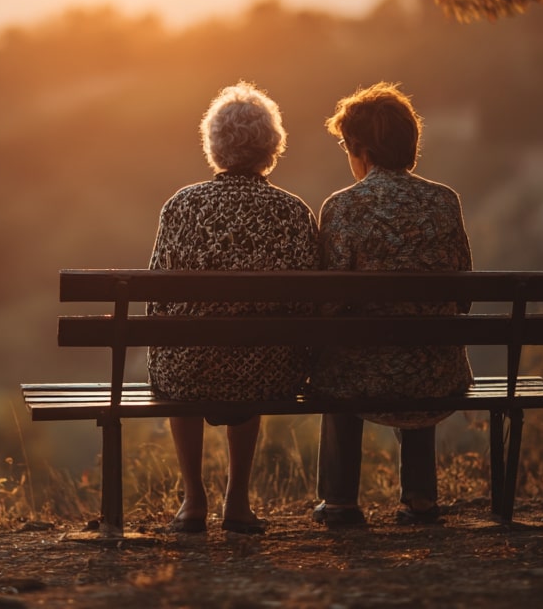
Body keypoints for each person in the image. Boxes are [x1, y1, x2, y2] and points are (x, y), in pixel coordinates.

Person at [147, 82, 318, 535]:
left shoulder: (180, 206)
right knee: (255, 351)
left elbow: (156, 295)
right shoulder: (292, 212)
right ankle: (237, 501)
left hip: (188, 368)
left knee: (177, 351)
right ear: (271, 147)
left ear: (214, 145)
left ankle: (193, 501)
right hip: (267, 370)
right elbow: (307, 304)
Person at [310, 82, 473, 529]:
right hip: (437, 373)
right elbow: (462, 295)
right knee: (419, 346)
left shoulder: (343, 207)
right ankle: (420, 500)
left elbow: (327, 305)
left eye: (345, 145)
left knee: (340, 353)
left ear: (360, 147)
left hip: (362, 378)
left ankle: (340, 500)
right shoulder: (445, 200)